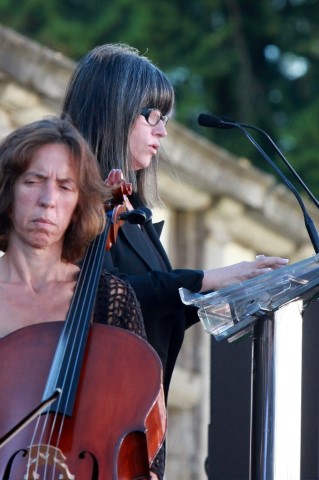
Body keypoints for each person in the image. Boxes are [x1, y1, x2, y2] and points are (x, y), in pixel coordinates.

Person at [61, 43, 288, 476]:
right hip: (89, 426)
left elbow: (153, 308)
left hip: (134, 430)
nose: (162, 131)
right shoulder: (72, 203)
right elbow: (98, 295)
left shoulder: (134, 215)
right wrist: (203, 278)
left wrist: (233, 289)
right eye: (152, 115)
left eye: (165, 119)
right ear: (114, 108)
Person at [0, 116, 162, 479]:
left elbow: (146, 449)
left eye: (65, 187)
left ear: (78, 204)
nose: (48, 201)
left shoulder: (111, 299)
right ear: (8, 192)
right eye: (34, 181)